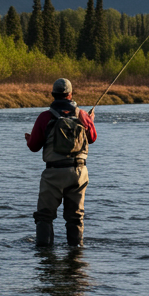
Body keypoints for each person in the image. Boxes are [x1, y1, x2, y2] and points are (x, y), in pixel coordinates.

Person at [24, 78, 97, 247]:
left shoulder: (45, 117)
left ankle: (44, 254)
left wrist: (29, 139)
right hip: (78, 173)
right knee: (76, 216)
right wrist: (90, 121)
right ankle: (76, 252)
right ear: (70, 95)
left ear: (53, 95)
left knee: (45, 216)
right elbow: (92, 139)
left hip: (53, 174)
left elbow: (34, 147)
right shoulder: (83, 115)